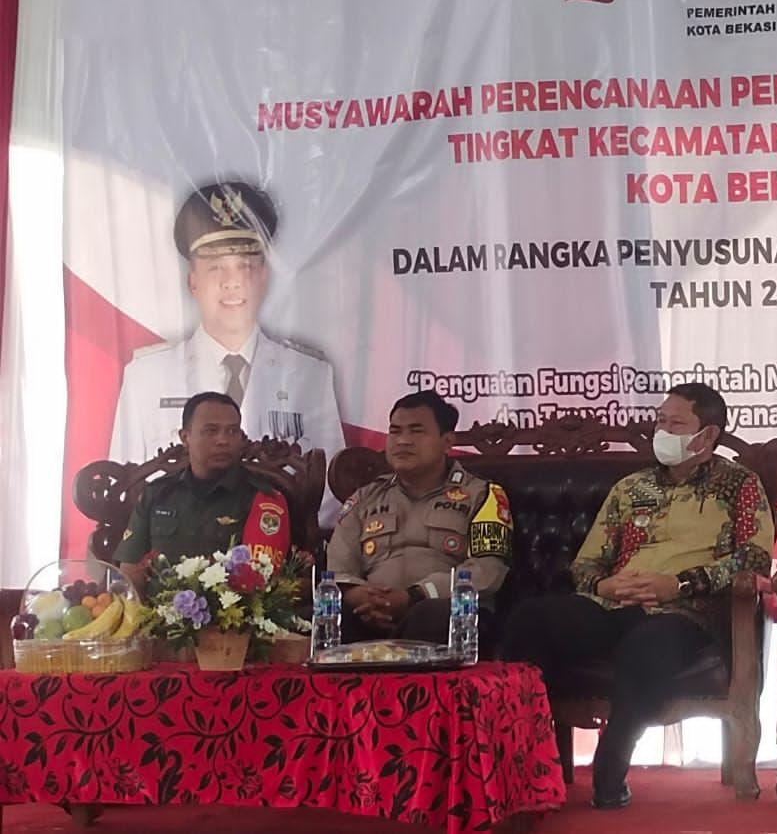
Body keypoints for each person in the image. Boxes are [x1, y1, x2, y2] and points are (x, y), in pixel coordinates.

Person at [499, 383, 775, 810]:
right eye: (660, 421)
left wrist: (681, 584)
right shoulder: (631, 487)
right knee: (531, 619)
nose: (662, 431)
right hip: (615, 604)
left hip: (686, 612)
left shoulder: (740, 485)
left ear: (707, 435)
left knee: (648, 645)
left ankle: (611, 765)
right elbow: (587, 563)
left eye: (676, 424)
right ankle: (525, 762)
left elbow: (754, 559)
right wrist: (602, 585)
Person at [110, 181, 345, 472]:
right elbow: (123, 483)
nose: (231, 282)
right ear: (193, 282)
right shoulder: (146, 378)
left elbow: (331, 485)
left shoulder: (310, 375)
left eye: (244, 267)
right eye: (215, 268)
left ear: (263, 278)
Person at [325, 390, 512, 644]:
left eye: (416, 431)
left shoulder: (482, 495)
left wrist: (415, 596)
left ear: (447, 441)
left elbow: (487, 571)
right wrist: (362, 598)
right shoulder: (364, 498)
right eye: (395, 431)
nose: (403, 441)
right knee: (322, 616)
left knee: (433, 615)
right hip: (370, 614)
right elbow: (339, 570)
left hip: (443, 611)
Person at [114, 392, 292, 594]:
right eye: (211, 431)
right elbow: (130, 573)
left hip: (231, 611)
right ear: (185, 437)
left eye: (232, 431)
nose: (223, 440)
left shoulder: (262, 499)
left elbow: (260, 581)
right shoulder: (157, 493)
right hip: (155, 610)